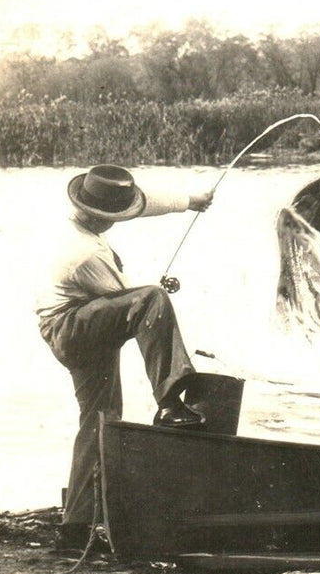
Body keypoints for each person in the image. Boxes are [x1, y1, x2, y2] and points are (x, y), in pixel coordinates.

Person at [35, 164, 215, 550]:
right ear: (100, 215)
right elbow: (131, 301)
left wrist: (189, 201)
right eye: (115, 218)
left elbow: (143, 202)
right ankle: (170, 401)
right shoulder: (82, 253)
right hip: (72, 328)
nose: (121, 221)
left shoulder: (83, 221)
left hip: (77, 321)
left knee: (100, 421)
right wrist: (152, 292)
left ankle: (76, 528)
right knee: (151, 299)